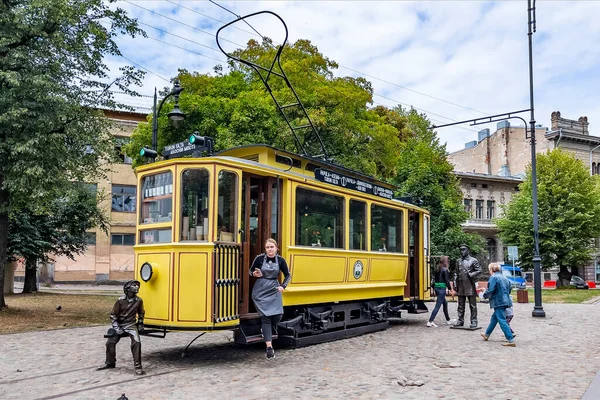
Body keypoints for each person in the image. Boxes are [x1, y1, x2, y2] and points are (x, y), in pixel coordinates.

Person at [250, 238, 291, 360]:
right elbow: (250, 270)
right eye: (267, 247)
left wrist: (283, 286)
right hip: (261, 290)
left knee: (278, 314)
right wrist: (254, 274)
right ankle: (269, 347)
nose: (269, 249)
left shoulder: (281, 260)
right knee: (265, 318)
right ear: (265, 249)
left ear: (276, 248)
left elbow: (288, 274)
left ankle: (266, 330)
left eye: (271, 247)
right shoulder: (259, 258)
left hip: (274, 288)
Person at [97, 280, 146, 375]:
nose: (136, 287)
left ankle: (138, 367)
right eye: (134, 285)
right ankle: (110, 363)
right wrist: (116, 328)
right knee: (110, 343)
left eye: (137, 286)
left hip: (131, 325)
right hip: (119, 324)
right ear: (128, 289)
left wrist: (140, 324)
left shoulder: (139, 300)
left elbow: (141, 313)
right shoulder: (120, 301)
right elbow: (113, 315)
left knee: (137, 342)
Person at [481, 263, 516, 347]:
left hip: (498, 301)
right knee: (494, 318)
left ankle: (510, 339)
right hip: (505, 301)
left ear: (491, 270)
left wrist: (484, 295)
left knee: (501, 320)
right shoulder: (504, 277)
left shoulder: (493, 277)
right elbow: (509, 290)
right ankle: (486, 334)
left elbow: (490, 290)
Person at [455, 244, 482, 328]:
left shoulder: (473, 260)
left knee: (472, 305)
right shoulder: (458, 261)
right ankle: (460, 320)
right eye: (461, 250)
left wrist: (472, 274)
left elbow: (479, 270)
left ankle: (474, 321)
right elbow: (456, 273)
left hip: (470, 285)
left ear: (468, 250)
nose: (462, 251)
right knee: (460, 305)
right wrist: (455, 283)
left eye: (464, 250)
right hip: (461, 285)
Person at [427, 256, 457, 327]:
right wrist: (451, 290)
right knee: (437, 306)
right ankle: (430, 321)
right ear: (446, 262)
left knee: (445, 304)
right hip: (441, 289)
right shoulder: (445, 270)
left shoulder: (438, 268)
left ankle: (448, 320)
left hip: (437, 288)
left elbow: (434, 279)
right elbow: (447, 281)